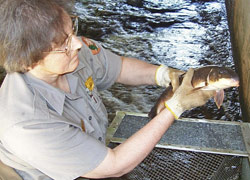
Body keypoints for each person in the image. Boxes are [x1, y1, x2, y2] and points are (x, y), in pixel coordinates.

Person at [0, 0, 214, 180]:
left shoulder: (70, 56)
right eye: (63, 44)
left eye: (71, 29)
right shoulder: (27, 123)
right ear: (28, 60)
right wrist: (175, 107)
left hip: (91, 151)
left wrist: (165, 74)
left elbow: (119, 68)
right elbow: (115, 165)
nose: (77, 44)